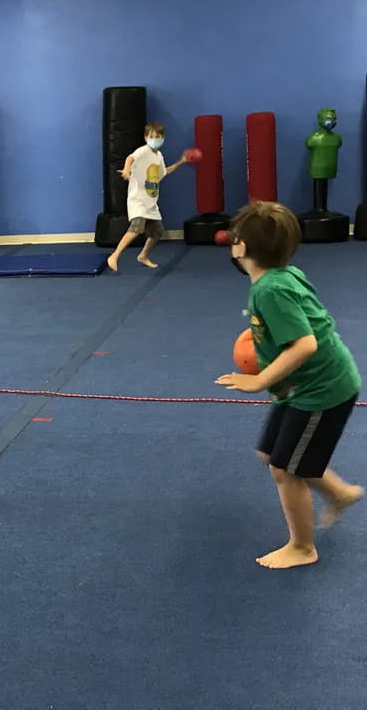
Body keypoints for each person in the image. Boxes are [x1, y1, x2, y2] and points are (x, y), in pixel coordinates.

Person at [216, 201, 364, 569]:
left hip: (320, 391)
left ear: (241, 248)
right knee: (272, 455)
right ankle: (340, 493)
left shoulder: (270, 290)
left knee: (286, 469)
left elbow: (305, 343)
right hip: (297, 388)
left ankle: (302, 547)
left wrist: (259, 380)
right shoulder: (281, 276)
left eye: (234, 238)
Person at [107, 123, 190, 272]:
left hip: (150, 202)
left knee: (157, 233)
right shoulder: (143, 151)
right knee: (137, 227)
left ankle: (143, 256)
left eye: (158, 137)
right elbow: (130, 158)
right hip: (137, 199)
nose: (155, 139)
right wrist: (126, 169)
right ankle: (114, 255)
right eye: (151, 137)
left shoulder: (159, 157)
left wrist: (181, 162)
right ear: (146, 138)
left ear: (163, 138)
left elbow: (165, 171)